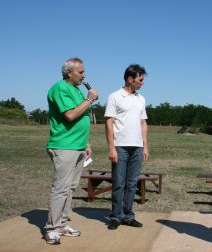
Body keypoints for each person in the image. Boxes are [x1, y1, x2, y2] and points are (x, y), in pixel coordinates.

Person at [44, 57, 98, 245]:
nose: (84, 75)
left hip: (78, 146)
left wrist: (87, 143)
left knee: (70, 187)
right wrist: (89, 99)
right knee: (60, 188)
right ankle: (52, 228)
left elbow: (81, 117)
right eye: (81, 72)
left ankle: (62, 223)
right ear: (69, 72)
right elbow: (70, 115)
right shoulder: (60, 88)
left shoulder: (75, 90)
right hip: (64, 146)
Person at [105, 64, 149, 230]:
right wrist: (111, 147)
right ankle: (116, 217)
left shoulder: (141, 99)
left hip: (137, 147)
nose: (142, 83)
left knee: (132, 184)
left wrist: (145, 146)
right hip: (120, 147)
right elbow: (109, 122)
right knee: (118, 183)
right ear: (130, 79)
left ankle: (128, 216)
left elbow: (143, 122)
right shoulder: (114, 97)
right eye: (140, 79)